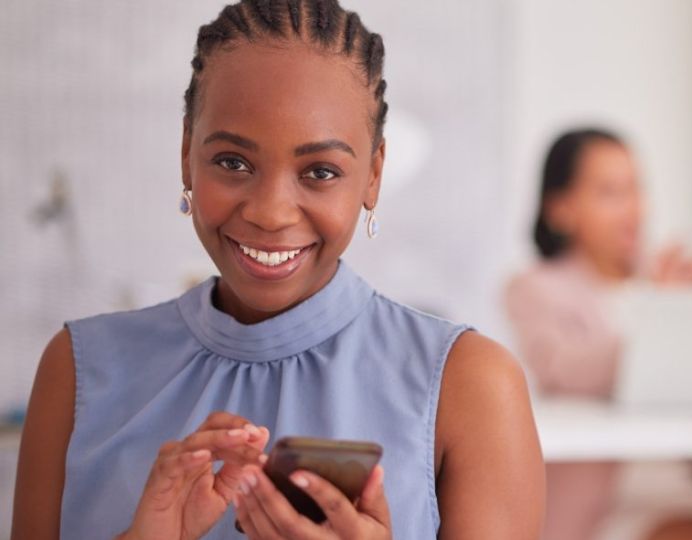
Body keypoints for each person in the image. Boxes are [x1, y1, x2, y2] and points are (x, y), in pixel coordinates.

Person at [12, 2, 544, 539]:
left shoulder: (469, 387)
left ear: (373, 176)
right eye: (233, 163)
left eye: (319, 171)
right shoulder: (78, 371)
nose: (269, 212)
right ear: (185, 154)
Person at [506, 128, 692, 540]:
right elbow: (563, 371)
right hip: (613, 506)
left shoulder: (664, 284)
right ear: (562, 208)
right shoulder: (535, 288)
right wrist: (661, 314)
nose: (633, 209)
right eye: (609, 192)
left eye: (636, 189)